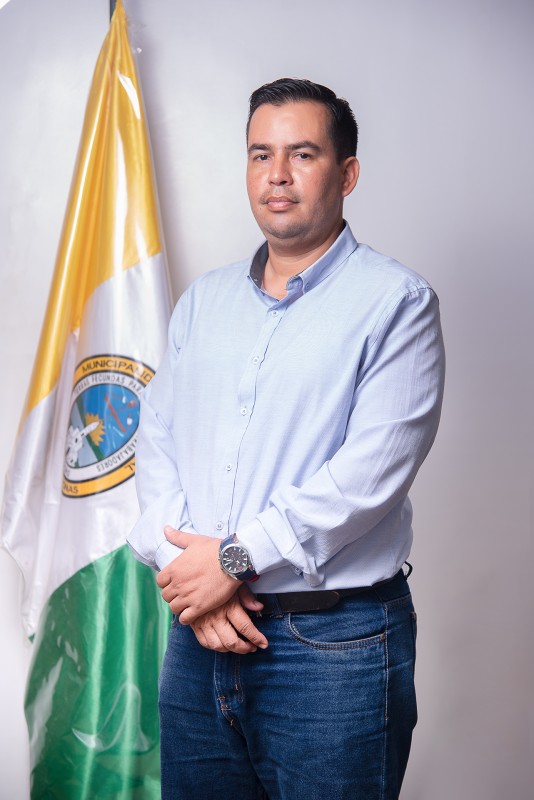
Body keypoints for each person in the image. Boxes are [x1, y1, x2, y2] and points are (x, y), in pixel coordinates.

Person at [128, 77, 445, 800]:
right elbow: (157, 442)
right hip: (198, 639)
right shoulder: (203, 302)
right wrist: (193, 579)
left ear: (347, 173)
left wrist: (232, 562)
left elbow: (369, 476)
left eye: (302, 154)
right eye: (260, 154)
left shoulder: (396, 303)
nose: (276, 175)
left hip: (331, 652)